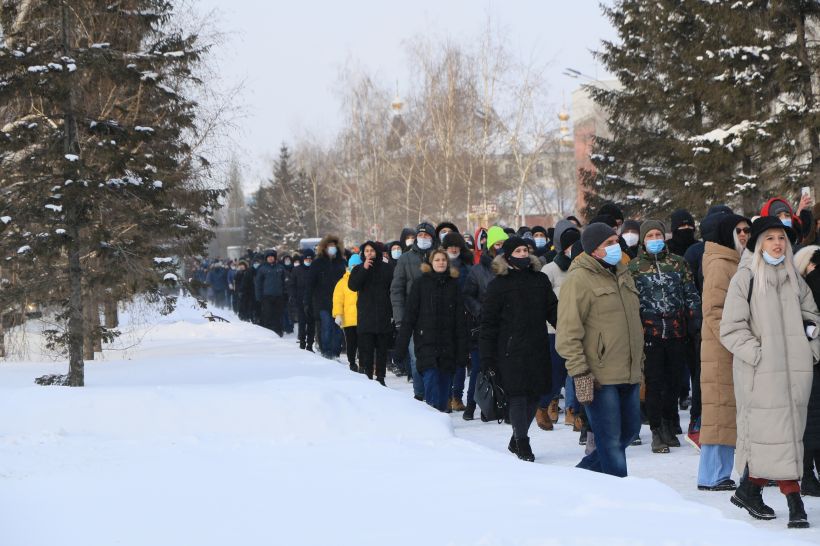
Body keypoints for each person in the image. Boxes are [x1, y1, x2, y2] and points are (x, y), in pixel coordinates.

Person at [721, 216, 820, 529]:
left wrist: (811, 346)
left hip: (795, 371)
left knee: (789, 434)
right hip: (760, 373)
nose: (777, 243)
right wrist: (759, 356)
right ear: (758, 243)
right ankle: (795, 502)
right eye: (770, 238)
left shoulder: (794, 278)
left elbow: (812, 316)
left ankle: (749, 490)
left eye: (781, 238)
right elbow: (731, 329)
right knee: (770, 435)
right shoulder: (745, 279)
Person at [557, 223, 644, 477]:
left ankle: (578, 479)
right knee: (611, 443)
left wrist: (639, 365)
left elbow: (632, 323)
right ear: (594, 250)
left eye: (615, 241)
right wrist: (580, 372)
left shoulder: (623, 272)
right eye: (608, 243)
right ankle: (618, 500)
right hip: (599, 377)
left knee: (628, 433)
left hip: (628, 372)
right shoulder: (578, 279)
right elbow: (567, 333)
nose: (615, 246)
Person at [480, 236, 558, 461]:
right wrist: (487, 357)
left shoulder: (540, 280)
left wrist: (566, 328)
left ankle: (516, 437)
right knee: (517, 396)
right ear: (508, 256)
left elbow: (552, 309)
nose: (523, 254)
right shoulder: (498, 285)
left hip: (537, 345)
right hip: (510, 349)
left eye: (526, 250)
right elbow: (488, 323)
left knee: (535, 393)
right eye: (518, 251)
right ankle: (523, 442)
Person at [629, 220, 700, 454]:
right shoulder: (634, 267)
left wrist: (694, 323)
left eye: (658, 234)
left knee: (674, 382)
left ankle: (670, 424)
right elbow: (630, 302)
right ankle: (657, 429)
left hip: (677, 332)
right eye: (650, 235)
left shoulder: (678, 263)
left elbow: (691, 294)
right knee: (654, 383)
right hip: (650, 333)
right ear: (643, 240)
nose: (655, 239)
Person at [697, 213, 749, 491]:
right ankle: (712, 475)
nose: (743, 235)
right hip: (721, 349)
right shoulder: (720, 263)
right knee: (719, 412)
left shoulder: (734, 260)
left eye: (746, 231)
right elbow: (713, 311)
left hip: (730, 347)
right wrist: (735, 341)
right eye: (737, 231)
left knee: (727, 412)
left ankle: (719, 473)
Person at [394, 248, 467, 411]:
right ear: (430, 263)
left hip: (448, 346)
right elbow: (409, 317)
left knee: (443, 392)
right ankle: (432, 425)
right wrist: (399, 349)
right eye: (437, 260)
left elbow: (460, 321)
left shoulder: (453, 285)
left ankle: (440, 424)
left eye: (443, 260)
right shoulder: (420, 284)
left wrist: (462, 352)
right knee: (431, 383)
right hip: (426, 343)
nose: (441, 262)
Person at [539, 219, 581, 432]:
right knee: (556, 373)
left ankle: (576, 412)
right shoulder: (550, 269)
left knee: (578, 373)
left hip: (579, 329)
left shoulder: (582, 268)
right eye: (570, 246)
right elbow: (542, 300)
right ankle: (543, 405)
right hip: (554, 330)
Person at [462, 227, 507, 420]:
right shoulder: (477, 270)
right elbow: (468, 295)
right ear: (490, 246)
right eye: (498, 244)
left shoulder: (510, 268)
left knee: (503, 367)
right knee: (480, 368)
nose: (501, 248)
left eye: (504, 244)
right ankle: (472, 404)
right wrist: (481, 311)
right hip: (484, 326)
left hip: (506, 325)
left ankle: (498, 405)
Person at [391, 222, 437, 400]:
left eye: (427, 236)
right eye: (421, 235)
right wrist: (400, 318)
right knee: (416, 357)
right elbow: (396, 290)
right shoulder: (405, 259)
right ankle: (420, 395)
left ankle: (436, 396)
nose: (423, 239)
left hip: (436, 317)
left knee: (437, 359)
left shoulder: (439, 257)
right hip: (413, 318)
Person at [792, 244, 820, 496]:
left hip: (810, 359)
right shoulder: (803, 287)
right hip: (807, 362)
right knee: (810, 420)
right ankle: (808, 475)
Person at [349, 241, 395, 385]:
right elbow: (353, 286)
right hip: (365, 315)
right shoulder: (358, 269)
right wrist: (364, 269)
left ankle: (380, 377)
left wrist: (392, 312)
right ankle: (368, 376)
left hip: (383, 314)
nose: (369, 253)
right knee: (366, 349)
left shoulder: (387, 268)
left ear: (377, 252)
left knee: (382, 349)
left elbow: (393, 289)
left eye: (372, 251)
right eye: (367, 251)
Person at [442, 231, 473, 410]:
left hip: (463, 317)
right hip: (443, 319)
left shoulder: (467, 267)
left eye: (456, 246)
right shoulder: (438, 265)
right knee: (446, 360)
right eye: (450, 246)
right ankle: (446, 396)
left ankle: (457, 396)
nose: (453, 249)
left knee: (460, 359)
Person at [306, 235, 347, 359]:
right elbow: (310, 283)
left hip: (339, 302)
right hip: (322, 302)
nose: (332, 248)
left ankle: (335, 353)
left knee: (338, 330)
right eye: (329, 246)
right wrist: (307, 301)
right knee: (326, 327)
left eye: (334, 246)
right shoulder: (317, 263)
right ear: (324, 248)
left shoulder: (341, 263)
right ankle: (326, 352)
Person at [333, 254, 361, 372]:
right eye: (352, 265)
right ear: (349, 266)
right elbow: (338, 300)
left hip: (362, 318)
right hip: (348, 320)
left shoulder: (364, 279)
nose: (354, 267)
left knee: (363, 343)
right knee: (351, 342)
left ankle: (363, 362)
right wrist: (338, 314)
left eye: (357, 265)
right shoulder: (342, 282)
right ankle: (352, 362)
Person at [255, 250, 287, 336]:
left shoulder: (280, 268)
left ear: (275, 258)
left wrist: (285, 293)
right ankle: (268, 332)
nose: (270, 258)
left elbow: (285, 281)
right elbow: (258, 284)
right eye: (268, 257)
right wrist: (258, 297)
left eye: (272, 256)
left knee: (278, 314)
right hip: (267, 296)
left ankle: (278, 331)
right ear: (266, 258)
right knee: (267, 314)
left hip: (279, 295)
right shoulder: (262, 269)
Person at [293, 249, 315, 351]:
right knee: (302, 322)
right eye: (306, 258)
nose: (308, 260)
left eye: (310, 259)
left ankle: (310, 344)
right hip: (300, 300)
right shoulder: (297, 270)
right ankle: (302, 342)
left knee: (311, 323)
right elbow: (292, 285)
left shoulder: (315, 270)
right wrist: (293, 297)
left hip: (313, 300)